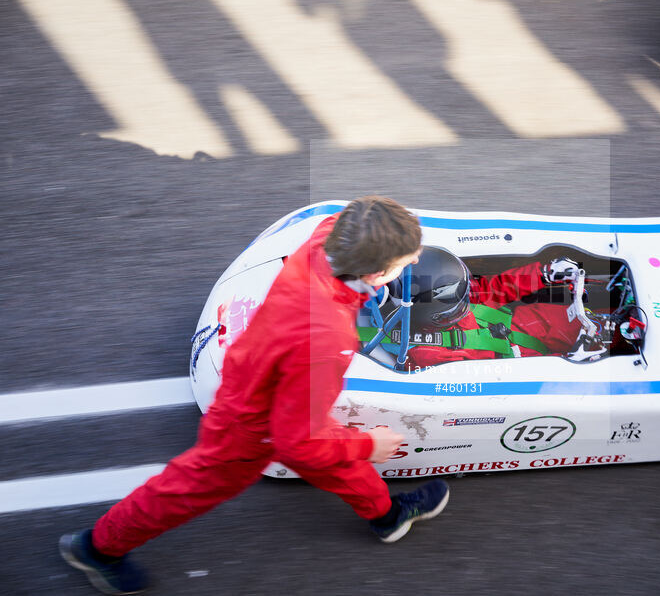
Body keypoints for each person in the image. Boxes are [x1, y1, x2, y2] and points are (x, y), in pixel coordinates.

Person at [59, 197, 449, 595]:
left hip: (273, 381)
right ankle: (97, 548)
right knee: (186, 489)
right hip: (249, 425)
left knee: (333, 448)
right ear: (377, 272)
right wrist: (369, 444)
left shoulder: (326, 238)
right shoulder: (327, 339)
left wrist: (393, 239)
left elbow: (355, 216)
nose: (414, 264)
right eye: (406, 261)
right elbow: (297, 444)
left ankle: (386, 516)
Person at [368, 247, 629, 369]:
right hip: (521, 363)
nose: (471, 295)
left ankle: (615, 325)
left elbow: (498, 287)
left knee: (564, 320)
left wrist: (545, 273)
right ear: (435, 317)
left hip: (528, 323)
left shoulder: (450, 293)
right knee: (592, 346)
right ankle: (620, 339)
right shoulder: (427, 355)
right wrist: (569, 367)